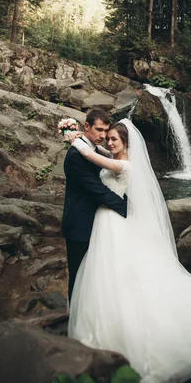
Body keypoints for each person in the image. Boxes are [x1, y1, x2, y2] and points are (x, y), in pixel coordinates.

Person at [67, 119, 191, 383]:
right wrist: (89, 141)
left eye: (114, 139)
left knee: (121, 273)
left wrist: (72, 136)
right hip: (109, 222)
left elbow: (89, 155)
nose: (110, 143)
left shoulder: (124, 165)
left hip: (114, 223)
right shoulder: (115, 158)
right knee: (108, 275)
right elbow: (98, 155)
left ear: (126, 142)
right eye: (107, 138)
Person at [62, 109, 127, 302]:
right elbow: (96, 189)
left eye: (106, 130)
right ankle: (75, 316)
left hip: (99, 222)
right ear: (87, 126)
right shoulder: (77, 154)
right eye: (99, 129)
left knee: (96, 275)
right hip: (80, 225)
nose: (103, 135)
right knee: (79, 275)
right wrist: (126, 209)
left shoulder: (94, 148)